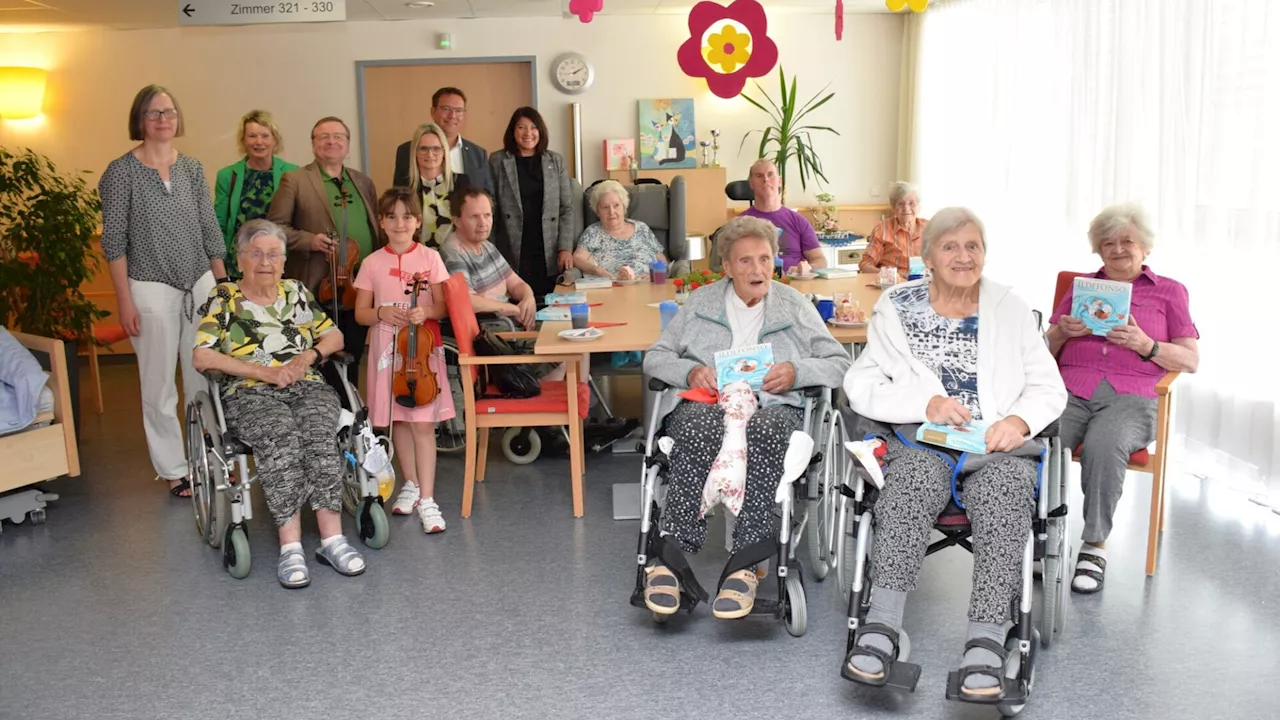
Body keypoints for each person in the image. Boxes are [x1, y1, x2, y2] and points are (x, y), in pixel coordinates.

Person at [841, 207, 1067, 697]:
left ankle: (985, 641)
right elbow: (860, 382)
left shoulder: (1008, 307)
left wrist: (1017, 421)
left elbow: (1049, 387)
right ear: (927, 256)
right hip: (923, 436)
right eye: (950, 246)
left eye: (973, 246)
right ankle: (881, 627)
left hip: (997, 443)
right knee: (909, 485)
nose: (963, 257)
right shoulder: (896, 307)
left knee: (1005, 498)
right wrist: (925, 403)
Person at [641, 215, 849, 620]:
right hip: (709, 402)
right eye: (746, 261)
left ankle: (749, 561)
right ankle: (670, 555)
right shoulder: (701, 302)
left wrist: (796, 371)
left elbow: (838, 362)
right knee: (697, 427)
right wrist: (689, 372)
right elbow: (655, 357)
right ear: (727, 267)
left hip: (772, 406)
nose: (758, 270)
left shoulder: (793, 304)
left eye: (765, 259)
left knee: (766, 430)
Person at [193, 219, 366, 589]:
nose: (265, 262)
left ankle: (331, 540)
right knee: (281, 438)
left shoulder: (295, 292)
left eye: (273, 254)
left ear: (284, 262)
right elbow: (202, 357)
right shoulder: (224, 299)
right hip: (249, 393)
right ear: (239, 260)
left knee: (320, 435)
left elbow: (333, 334)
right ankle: (291, 548)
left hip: (306, 385)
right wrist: (263, 373)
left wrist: (308, 357)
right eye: (255, 254)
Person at [1047, 203, 1199, 594]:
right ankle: (1040, 536)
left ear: (1144, 247)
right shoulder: (1080, 286)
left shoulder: (1170, 292)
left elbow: (1190, 359)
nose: (1117, 249)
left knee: (1105, 442)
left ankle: (1094, 545)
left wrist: (1147, 345)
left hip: (1134, 394)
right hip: (1071, 387)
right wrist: (1063, 332)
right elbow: (1044, 350)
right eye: (1108, 243)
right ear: (1098, 249)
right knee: (1043, 441)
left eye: (1127, 241)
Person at [98, 84, 227, 499]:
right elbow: (113, 241)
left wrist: (222, 286)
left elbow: (209, 227)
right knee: (158, 385)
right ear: (139, 120)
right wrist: (124, 299)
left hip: (200, 282)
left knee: (204, 376)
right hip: (149, 286)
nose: (163, 119)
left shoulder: (191, 167)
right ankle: (174, 468)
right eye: (153, 113)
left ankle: (208, 455)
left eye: (169, 111)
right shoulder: (120, 172)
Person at [353, 188, 455, 534]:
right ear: (381, 222)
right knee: (398, 420)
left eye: (407, 217)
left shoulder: (430, 258)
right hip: (386, 348)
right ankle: (410, 483)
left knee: (423, 424)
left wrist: (425, 310)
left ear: (418, 221)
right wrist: (382, 311)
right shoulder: (371, 263)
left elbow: (442, 307)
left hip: (421, 349)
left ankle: (427, 498)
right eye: (392, 216)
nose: (400, 223)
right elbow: (360, 314)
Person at [266, 116, 381, 393]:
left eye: (338, 136)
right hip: (318, 284)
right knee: (320, 356)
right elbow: (275, 228)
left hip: (358, 287)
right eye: (324, 137)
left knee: (354, 353)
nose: (332, 141)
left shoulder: (362, 182)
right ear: (314, 145)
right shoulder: (294, 180)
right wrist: (309, 240)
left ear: (348, 145)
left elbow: (376, 226)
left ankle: (352, 416)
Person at [488, 107, 575, 299]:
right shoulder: (498, 160)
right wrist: (490, 251)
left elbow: (566, 209)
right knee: (517, 299)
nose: (528, 133)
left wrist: (565, 248)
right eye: (521, 127)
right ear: (513, 131)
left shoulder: (555, 160)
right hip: (512, 243)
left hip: (547, 244)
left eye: (533, 127)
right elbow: (490, 210)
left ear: (541, 131)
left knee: (548, 300)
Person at [213, 110, 298, 279]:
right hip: (240, 265)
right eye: (252, 136)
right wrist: (220, 270)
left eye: (265, 136)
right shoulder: (227, 176)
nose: (259, 142)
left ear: (275, 139)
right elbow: (219, 226)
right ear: (243, 141)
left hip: (280, 264)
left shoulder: (293, 173)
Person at [440, 187, 537, 329]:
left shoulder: (487, 245)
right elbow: (466, 301)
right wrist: (512, 309)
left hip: (512, 324)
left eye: (487, 215)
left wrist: (528, 298)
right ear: (457, 221)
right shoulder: (452, 252)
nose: (483, 223)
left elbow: (515, 283)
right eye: (474, 216)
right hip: (492, 332)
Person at [393, 87, 492, 195]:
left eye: (458, 110)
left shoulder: (478, 154)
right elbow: (399, 197)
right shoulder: (407, 151)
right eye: (446, 109)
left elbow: (487, 196)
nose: (452, 116)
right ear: (433, 111)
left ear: (464, 115)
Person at [739, 159, 827, 271]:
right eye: (759, 176)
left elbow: (819, 260)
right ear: (751, 184)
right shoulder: (740, 223)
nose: (766, 180)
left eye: (770, 174)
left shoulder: (798, 221)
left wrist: (805, 268)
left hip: (794, 284)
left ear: (779, 181)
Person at [573, 180, 667, 279]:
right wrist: (598, 271)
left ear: (624, 207)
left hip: (646, 287)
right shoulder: (593, 232)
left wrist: (652, 276)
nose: (611, 212)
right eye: (605, 207)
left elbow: (662, 261)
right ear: (597, 212)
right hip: (612, 288)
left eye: (616, 205)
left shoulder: (642, 228)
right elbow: (577, 258)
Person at [404, 122, 469, 248]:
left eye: (436, 148)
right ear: (415, 152)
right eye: (423, 148)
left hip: (455, 259)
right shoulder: (406, 187)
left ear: (444, 151)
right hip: (419, 260)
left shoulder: (461, 183)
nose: (430, 154)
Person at [859, 181, 927, 278]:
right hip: (893, 285)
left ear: (919, 206)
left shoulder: (929, 229)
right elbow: (865, 265)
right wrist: (890, 275)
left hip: (924, 285)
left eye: (912, 203)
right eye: (901, 203)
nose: (906, 208)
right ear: (893, 207)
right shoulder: (883, 229)